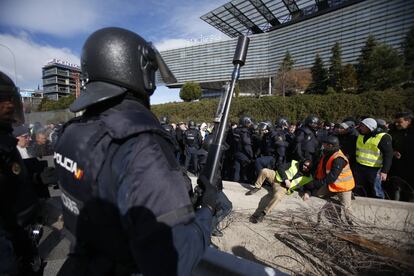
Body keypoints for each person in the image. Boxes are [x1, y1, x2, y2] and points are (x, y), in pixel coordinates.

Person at [54, 27, 217, 276]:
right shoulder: (140, 143)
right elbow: (174, 259)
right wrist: (208, 211)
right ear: (141, 72)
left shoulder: (71, 132)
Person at [0, 71, 42, 274]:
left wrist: (36, 176)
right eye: (4, 99)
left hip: (21, 236)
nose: (10, 105)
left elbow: (11, 183)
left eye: (10, 99)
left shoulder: (5, 142)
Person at [303, 135, 355, 224]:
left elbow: (331, 178)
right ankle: (334, 205)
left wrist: (316, 184)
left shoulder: (339, 159)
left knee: (346, 208)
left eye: (325, 144)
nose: (323, 145)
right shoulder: (327, 154)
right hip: (332, 185)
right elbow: (321, 169)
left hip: (343, 187)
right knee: (317, 194)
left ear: (330, 145)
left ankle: (352, 225)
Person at [246, 159, 313, 223]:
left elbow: (310, 188)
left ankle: (263, 214)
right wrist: (285, 179)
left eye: (308, 167)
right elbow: (281, 167)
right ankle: (257, 187)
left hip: (282, 187)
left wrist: (307, 193)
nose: (306, 167)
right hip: (276, 177)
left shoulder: (308, 177)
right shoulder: (294, 164)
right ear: (302, 163)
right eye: (305, 165)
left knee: (277, 197)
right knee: (264, 171)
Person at [353, 118, 393, 198]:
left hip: (375, 169)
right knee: (359, 188)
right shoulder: (361, 135)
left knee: (376, 190)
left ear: (369, 127)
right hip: (360, 166)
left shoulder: (383, 137)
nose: (360, 128)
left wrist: (384, 171)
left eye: (363, 126)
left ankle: (380, 206)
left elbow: (388, 155)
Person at [388, 111, 414, 201]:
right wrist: (393, 152)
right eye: (396, 122)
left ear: (408, 121)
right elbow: (387, 147)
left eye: (400, 122)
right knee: (396, 190)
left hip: (411, 169)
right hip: (397, 168)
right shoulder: (393, 132)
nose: (397, 124)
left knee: (410, 192)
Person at [232, 116, 254, 182]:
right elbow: (247, 145)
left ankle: (235, 181)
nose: (250, 124)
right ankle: (245, 181)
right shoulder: (245, 132)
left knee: (237, 169)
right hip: (243, 153)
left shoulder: (235, 130)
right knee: (248, 166)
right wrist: (251, 155)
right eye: (249, 123)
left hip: (236, 152)